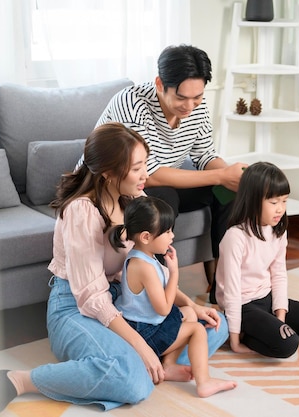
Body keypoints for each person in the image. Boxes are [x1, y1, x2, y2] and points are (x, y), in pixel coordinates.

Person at [0, 122, 229, 414]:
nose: (146, 175)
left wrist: (190, 304)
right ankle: (23, 381)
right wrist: (140, 345)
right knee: (134, 383)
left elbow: (151, 271)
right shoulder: (81, 211)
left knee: (215, 325)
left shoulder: (135, 200)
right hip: (77, 308)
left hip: (127, 303)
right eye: (137, 168)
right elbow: (91, 297)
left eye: (145, 164)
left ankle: (148, 365)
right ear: (109, 173)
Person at [92, 44, 248, 296]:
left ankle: (223, 281)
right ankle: (158, 285)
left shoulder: (196, 107)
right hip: (117, 188)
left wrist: (235, 176)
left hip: (155, 183)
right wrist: (220, 175)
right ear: (159, 84)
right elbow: (148, 176)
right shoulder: (132, 102)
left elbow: (205, 155)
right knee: (164, 196)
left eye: (197, 97)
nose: (190, 106)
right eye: (181, 97)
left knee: (228, 190)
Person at [108, 196, 237, 397]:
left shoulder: (143, 256)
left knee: (189, 313)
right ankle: (204, 383)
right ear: (146, 237)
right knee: (197, 331)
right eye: (167, 232)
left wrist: (193, 307)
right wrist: (174, 272)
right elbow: (164, 309)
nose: (172, 236)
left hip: (146, 322)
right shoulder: (143, 267)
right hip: (143, 331)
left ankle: (169, 365)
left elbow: (164, 299)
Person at [215, 162, 299, 358]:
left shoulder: (277, 231)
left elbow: (279, 275)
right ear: (253, 200)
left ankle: (272, 327)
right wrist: (234, 340)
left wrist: (280, 315)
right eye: (274, 203)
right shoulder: (235, 237)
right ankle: (247, 331)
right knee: (288, 345)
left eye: (284, 201)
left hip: (268, 297)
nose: (280, 209)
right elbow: (231, 290)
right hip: (243, 305)